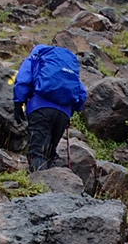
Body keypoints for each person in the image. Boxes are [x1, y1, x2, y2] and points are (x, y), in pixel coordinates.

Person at [13, 44, 88, 172]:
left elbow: (23, 80)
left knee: (37, 152)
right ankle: (51, 184)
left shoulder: (37, 56)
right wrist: (72, 109)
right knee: (49, 152)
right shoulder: (69, 65)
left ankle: (39, 187)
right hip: (63, 114)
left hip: (40, 108)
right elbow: (82, 92)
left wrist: (18, 102)